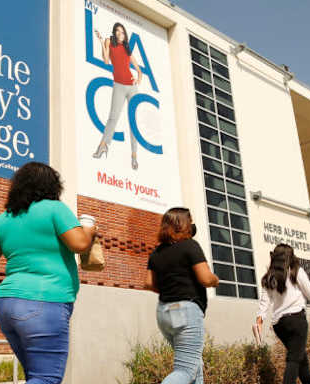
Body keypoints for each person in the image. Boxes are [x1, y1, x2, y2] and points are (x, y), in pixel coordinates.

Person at [0, 162, 97, 384]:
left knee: (34, 376)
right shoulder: (55, 209)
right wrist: (90, 229)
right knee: (46, 378)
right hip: (44, 302)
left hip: (6, 305)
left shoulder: (3, 219)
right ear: (52, 185)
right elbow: (80, 243)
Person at [144, 207, 219, 384]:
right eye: (190, 220)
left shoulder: (156, 252)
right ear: (183, 224)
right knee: (185, 370)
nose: (192, 224)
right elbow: (205, 278)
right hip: (186, 312)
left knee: (195, 366)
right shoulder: (190, 246)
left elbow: (148, 283)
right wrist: (215, 280)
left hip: (164, 313)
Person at [255, 244, 310, 384]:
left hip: (279, 325)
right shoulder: (295, 271)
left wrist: (260, 319)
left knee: (300, 359)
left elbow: (264, 301)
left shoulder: (268, 277)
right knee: (294, 358)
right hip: (296, 321)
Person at [92, 22, 144, 170]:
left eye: (122, 32)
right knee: (113, 117)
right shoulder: (110, 42)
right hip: (119, 85)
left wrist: (138, 79)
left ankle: (134, 156)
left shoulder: (127, 49)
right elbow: (106, 60)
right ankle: (103, 146)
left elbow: (139, 70)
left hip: (132, 87)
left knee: (133, 121)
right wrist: (102, 42)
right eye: (118, 32)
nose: (120, 34)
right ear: (114, 33)